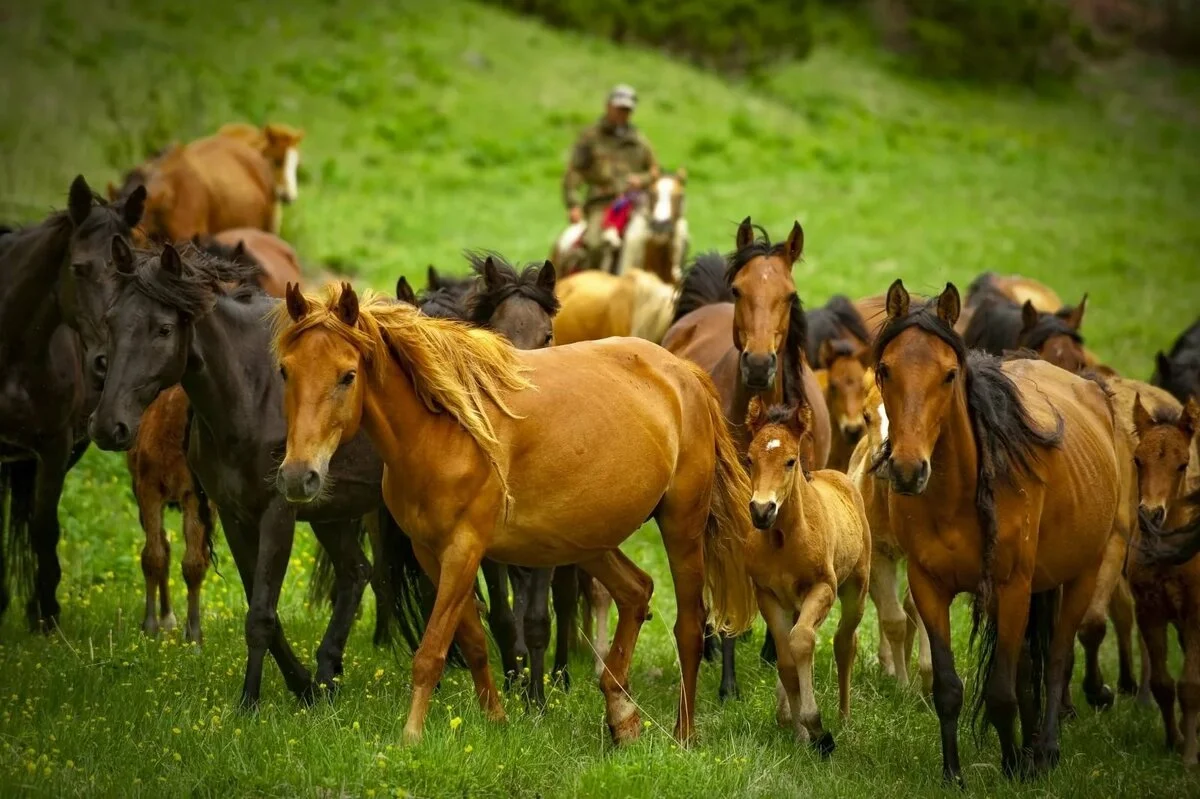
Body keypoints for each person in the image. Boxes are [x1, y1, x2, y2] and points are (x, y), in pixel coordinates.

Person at [562, 84, 659, 271]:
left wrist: (641, 180)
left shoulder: (639, 140)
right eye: (620, 108)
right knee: (596, 245)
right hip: (602, 204)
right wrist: (573, 204)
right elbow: (574, 172)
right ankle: (591, 286)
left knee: (662, 240)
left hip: (636, 204)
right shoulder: (590, 138)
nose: (623, 113)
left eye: (627, 109)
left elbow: (654, 171)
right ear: (608, 106)